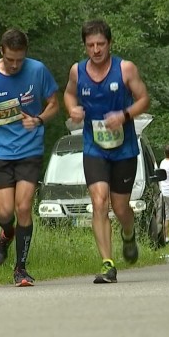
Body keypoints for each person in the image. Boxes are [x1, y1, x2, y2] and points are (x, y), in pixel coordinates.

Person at [0, 29, 59, 287]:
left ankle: (21, 269)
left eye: (20, 59)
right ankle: (6, 235)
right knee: (5, 213)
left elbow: (54, 103)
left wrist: (39, 119)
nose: (16, 65)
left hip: (29, 150)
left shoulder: (37, 70)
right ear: (1, 51)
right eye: (10, 60)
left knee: (24, 208)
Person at [63, 19, 150, 283]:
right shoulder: (77, 72)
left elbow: (144, 99)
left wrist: (124, 115)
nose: (96, 50)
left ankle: (128, 233)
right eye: (90, 45)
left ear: (109, 44)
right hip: (94, 146)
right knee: (99, 202)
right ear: (85, 46)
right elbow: (68, 94)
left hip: (123, 148)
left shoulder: (125, 69)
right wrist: (72, 109)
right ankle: (107, 264)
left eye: (101, 44)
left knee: (121, 207)